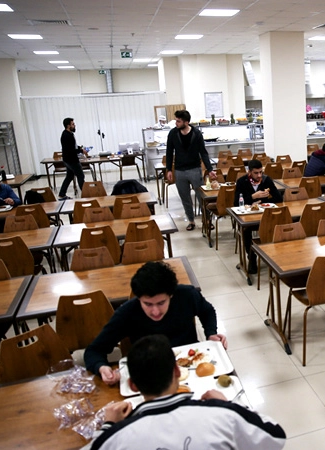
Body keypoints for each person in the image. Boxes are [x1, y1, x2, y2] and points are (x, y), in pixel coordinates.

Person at [80, 335, 286, 450]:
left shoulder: (116, 439)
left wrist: (108, 425)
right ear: (178, 371)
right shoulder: (223, 415)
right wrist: (229, 404)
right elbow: (276, 437)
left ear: (133, 385)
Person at [84, 261, 227, 385]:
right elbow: (93, 351)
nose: (155, 311)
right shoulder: (127, 312)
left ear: (171, 295)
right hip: (150, 374)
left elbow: (207, 311)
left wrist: (211, 333)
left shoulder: (187, 295)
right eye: (147, 304)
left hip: (192, 367)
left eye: (161, 303)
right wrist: (101, 367)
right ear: (139, 298)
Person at [165, 110, 217, 231]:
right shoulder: (173, 133)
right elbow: (169, 152)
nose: (176, 123)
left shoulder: (196, 133)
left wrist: (209, 169)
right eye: (176, 120)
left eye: (178, 121)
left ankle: (207, 220)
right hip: (179, 171)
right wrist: (169, 169)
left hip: (194, 169)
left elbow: (203, 152)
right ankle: (191, 221)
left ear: (186, 122)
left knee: (201, 196)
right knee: (185, 198)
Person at [234, 159, 283, 274]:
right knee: (246, 229)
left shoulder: (266, 180)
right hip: (249, 217)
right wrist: (253, 197)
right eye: (256, 173)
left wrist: (267, 197)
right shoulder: (242, 182)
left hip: (266, 216)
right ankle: (252, 258)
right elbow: (236, 203)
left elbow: (279, 199)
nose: (259, 175)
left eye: (261, 172)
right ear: (249, 172)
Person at [58, 117, 88, 201]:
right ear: (68, 126)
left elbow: (73, 146)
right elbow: (71, 150)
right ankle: (85, 194)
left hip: (68, 159)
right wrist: (81, 151)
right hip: (71, 160)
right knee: (80, 176)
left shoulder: (69, 134)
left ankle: (62, 194)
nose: (74, 125)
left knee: (69, 176)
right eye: (73, 124)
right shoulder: (66, 135)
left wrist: (80, 148)